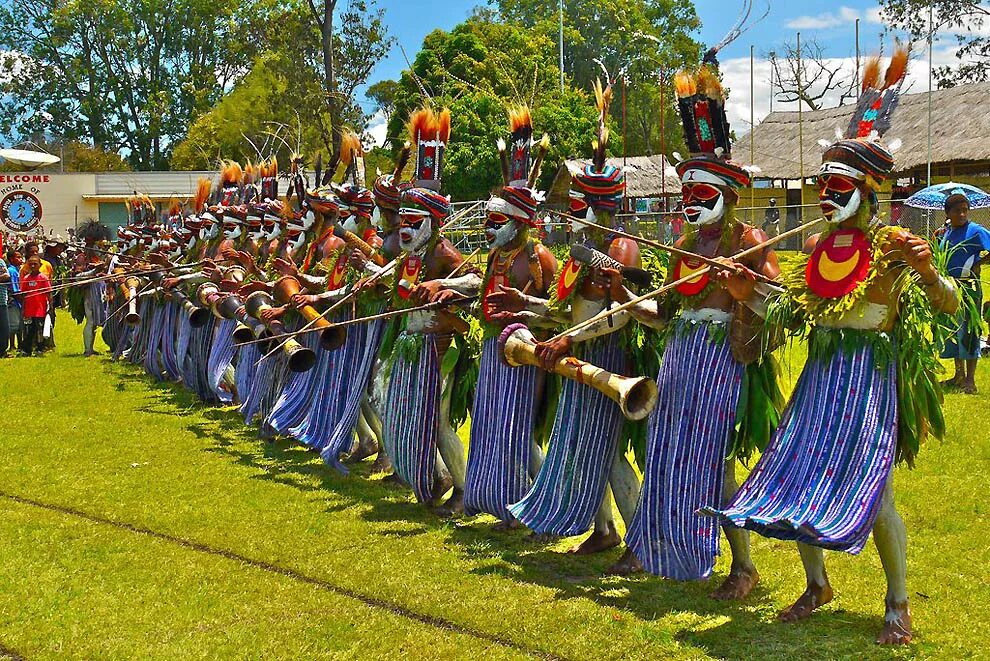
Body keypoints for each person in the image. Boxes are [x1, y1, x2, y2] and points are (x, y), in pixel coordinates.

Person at [708, 45, 958, 645]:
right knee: (794, 479)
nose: (825, 195)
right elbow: (796, 316)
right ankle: (817, 584)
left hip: (868, 380)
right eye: (823, 184)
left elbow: (949, 303)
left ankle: (897, 602)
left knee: (876, 497)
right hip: (820, 381)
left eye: (838, 185)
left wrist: (926, 272)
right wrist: (748, 290)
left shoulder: (896, 244)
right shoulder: (819, 251)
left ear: (868, 190)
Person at [938, 193, 990, 394]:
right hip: (950, 289)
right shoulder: (947, 232)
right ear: (947, 213)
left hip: (969, 290)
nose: (962, 214)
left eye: (965, 210)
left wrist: (979, 262)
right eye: (957, 211)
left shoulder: (975, 231)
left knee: (969, 331)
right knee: (951, 329)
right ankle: (958, 375)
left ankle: (970, 380)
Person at [19, 255, 52, 356]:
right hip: (29, 308)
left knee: (39, 328)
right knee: (30, 328)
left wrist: (50, 307)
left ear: (40, 265)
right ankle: (27, 348)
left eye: (35, 264)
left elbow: (49, 292)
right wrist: (23, 309)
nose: (33, 266)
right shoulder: (26, 278)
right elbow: (23, 294)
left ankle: (40, 348)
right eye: (30, 264)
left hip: (40, 308)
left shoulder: (43, 277)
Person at [6, 250, 22, 353]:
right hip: (13, 301)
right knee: (14, 325)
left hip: (18, 300)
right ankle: (12, 345)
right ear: (11, 259)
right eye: (18, 257)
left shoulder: (17, 269)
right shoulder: (11, 271)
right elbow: (14, 288)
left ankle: (20, 344)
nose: (21, 259)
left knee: (20, 324)